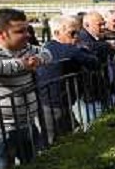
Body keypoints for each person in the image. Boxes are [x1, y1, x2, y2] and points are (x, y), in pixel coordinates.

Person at [0, 8, 53, 169]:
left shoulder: (27, 48)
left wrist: (38, 60)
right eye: (19, 31)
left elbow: (47, 53)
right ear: (0, 34)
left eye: (26, 29)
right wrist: (21, 65)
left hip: (27, 124)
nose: (26, 35)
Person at [36, 15, 99, 144]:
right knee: (52, 143)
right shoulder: (67, 50)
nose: (77, 36)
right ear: (57, 33)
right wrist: (82, 49)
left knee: (70, 136)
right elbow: (94, 62)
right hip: (54, 104)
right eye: (72, 33)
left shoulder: (49, 46)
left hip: (57, 101)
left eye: (78, 32)